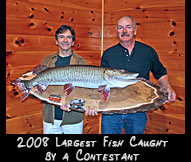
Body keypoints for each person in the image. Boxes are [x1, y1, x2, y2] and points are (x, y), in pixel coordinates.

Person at [100, 16, 176, 134]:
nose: (124, 31)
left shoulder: (148, 51)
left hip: (138, 110)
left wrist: (168, 88)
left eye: (128, 27)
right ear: (117, 32)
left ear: (134, 31)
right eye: (120, 28)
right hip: (111, 110)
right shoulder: (108, 54)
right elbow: (102, 83)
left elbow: (160, 73)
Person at [41, 25, 97, 134]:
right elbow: (42, 88)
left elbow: (86, 90)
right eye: (61, 37)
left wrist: (69, 101)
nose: (65, 40)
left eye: (69, 37)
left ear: (73, 42)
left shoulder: (82, 63)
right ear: (57, 41)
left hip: (73, 118)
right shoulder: (47, 60)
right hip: (50, 118)